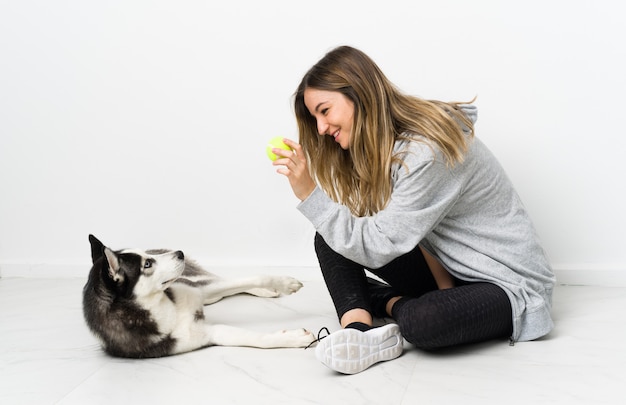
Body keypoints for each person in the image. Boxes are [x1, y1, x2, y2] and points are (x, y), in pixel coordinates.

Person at [271, 45, 555, 375]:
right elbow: (410, 236)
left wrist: (309, 193)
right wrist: (445, 290)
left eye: (324, 111)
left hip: (506, 284)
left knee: (424, 321)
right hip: (451, 269)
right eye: (315, 119)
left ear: (359, 94)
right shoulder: (389, 148)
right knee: (331, 236)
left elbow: (378, 246)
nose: (321, 129)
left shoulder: (426, 150)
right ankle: (359, 333)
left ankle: (388, 304)